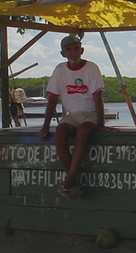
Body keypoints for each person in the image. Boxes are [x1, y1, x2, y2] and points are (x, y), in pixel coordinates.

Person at [38, 34, 113, 199]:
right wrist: (45, 126)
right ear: (63, 53)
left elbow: (97, 96)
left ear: (82, 50)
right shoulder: (60, 70)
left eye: (76, 48)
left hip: (91, 114)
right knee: (60, 134)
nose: (73, 52)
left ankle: (68, 181)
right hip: (71, 115)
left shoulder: (91, 68)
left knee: (84, 132)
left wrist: (100, 122)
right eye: (68, 49)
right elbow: (52, 98)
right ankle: (73, 181)